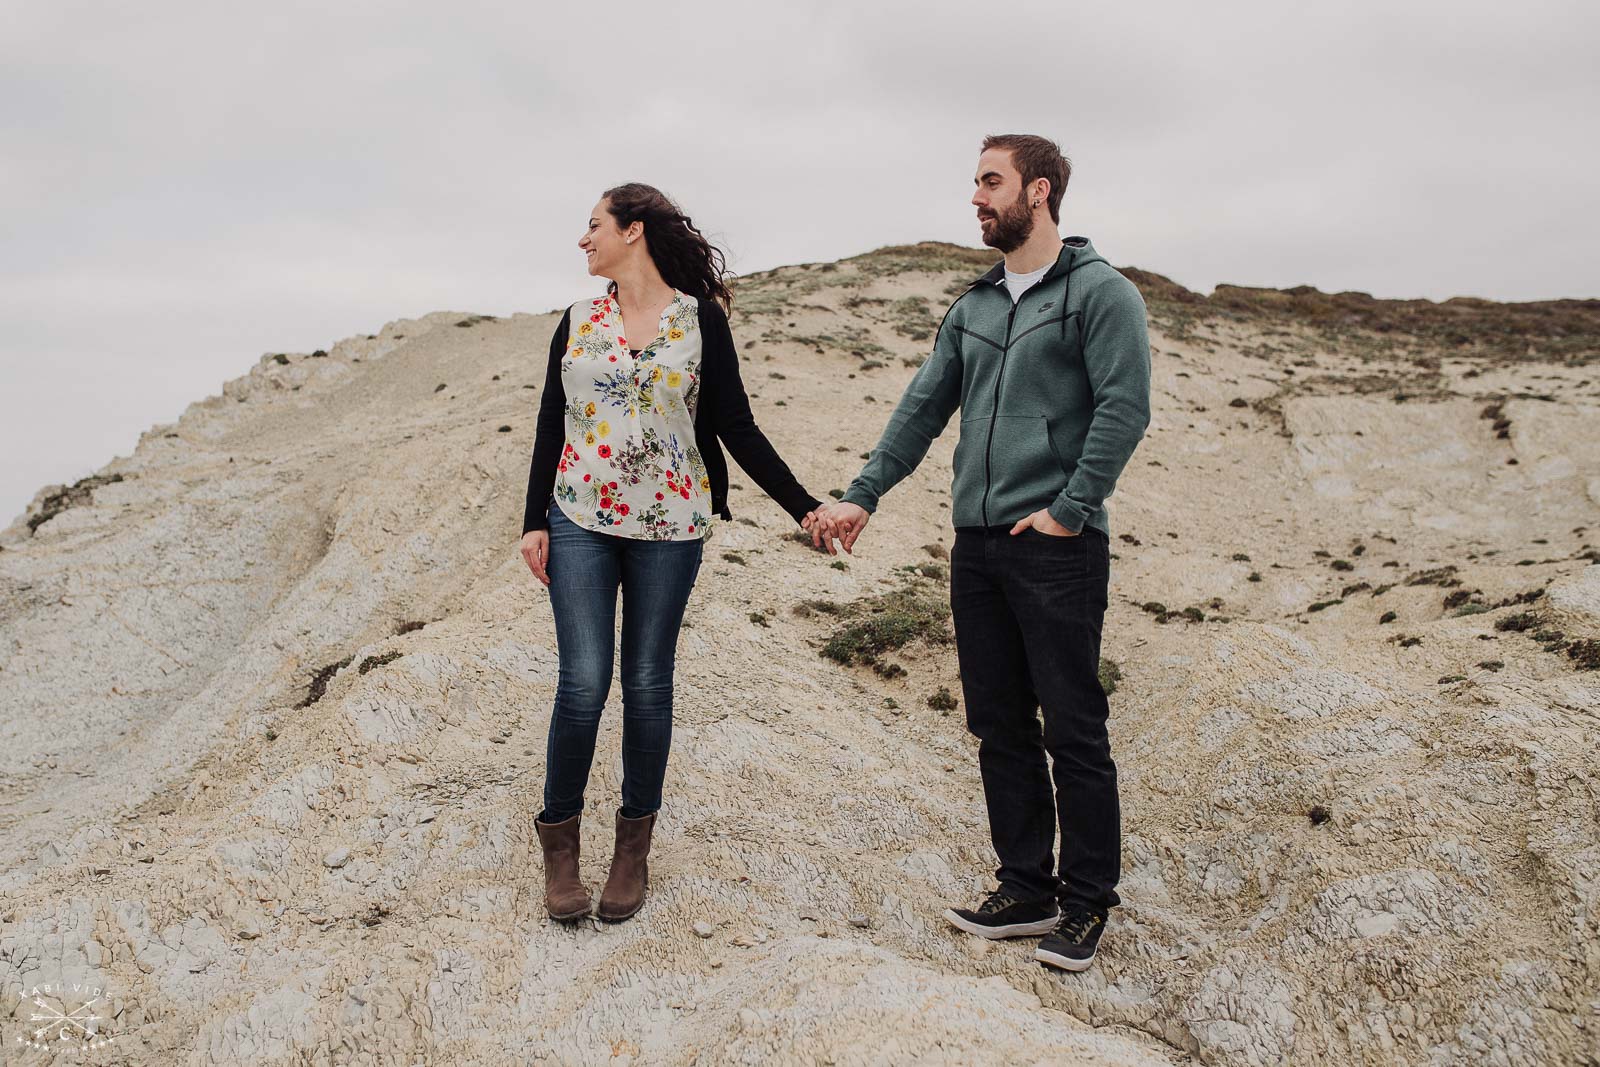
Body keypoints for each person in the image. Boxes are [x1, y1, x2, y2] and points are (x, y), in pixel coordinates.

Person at [809, 135, 1152, 972]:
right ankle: (1025, 887)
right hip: (978, 545)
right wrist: (863, 493)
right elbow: (922, 409)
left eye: (989, 181)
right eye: (974, 182)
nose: (975, 197)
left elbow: (1124, 408)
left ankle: (1086, 903)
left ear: (1039, 191)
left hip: (1056, 546)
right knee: (998, 720)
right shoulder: (975, 306)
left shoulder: (1102, 294)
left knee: (1073, 723)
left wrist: (1071, 511)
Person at [520, 183, 826, 923]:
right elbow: (550, 422)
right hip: (580, 518)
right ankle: (560, 848)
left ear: (634, 230)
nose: (583, 240)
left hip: (672, 524)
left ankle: (632, 850)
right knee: (585, 680)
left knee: (648, 682)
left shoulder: (699, 322)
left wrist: (806, 506)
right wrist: (534, 518)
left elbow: (736, 427)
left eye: (594, 226)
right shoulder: (578, 318)